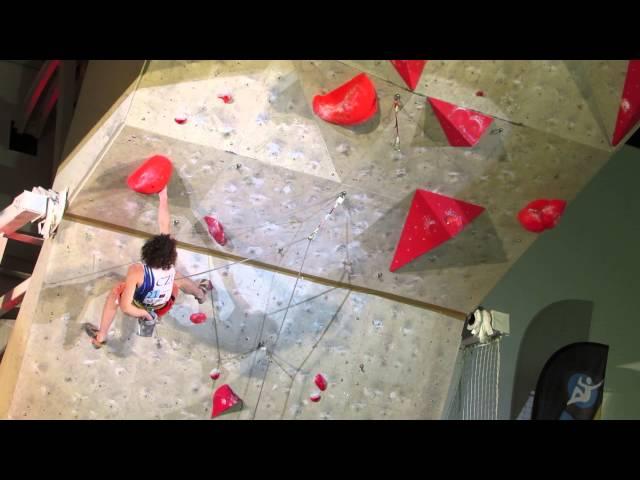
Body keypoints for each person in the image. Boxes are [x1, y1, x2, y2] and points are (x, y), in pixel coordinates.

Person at [88, 185, 212, 348]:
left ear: (147, 252)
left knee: (115, 293)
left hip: (141, 306)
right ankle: (200, 294)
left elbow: (126, 307)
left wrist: (143, 313)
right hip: (163, 306)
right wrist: (163, 196)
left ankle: (101, 335)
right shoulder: (171, 264)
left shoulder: (137, 271)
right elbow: (164, 224)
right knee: (178, 278)